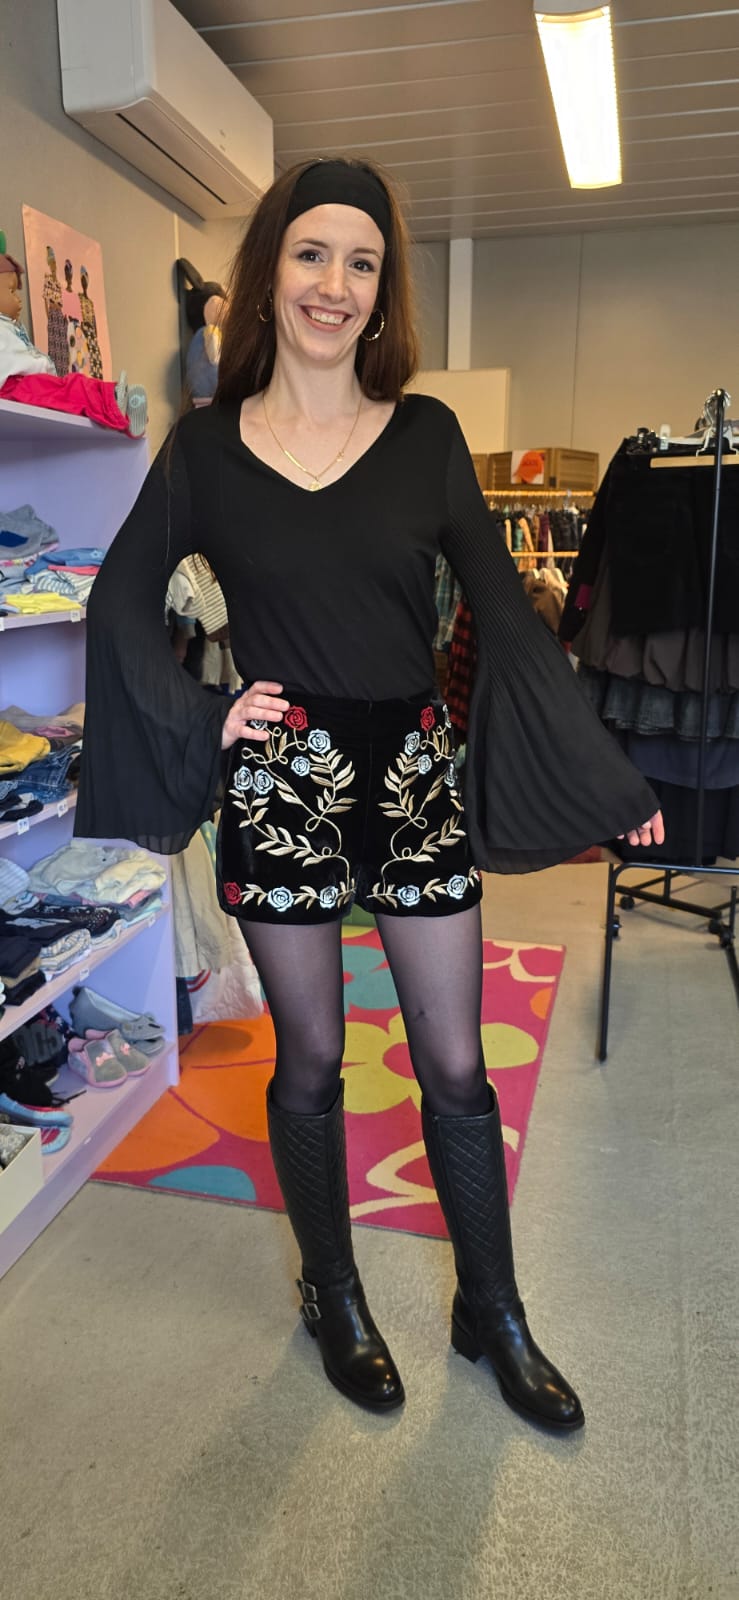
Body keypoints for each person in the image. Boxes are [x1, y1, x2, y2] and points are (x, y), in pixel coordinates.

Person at [76, 157, 664, 1431]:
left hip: (408, 774)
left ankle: (491, 1310)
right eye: (311, 254)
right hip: (283, 779)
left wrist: (601, 772)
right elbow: (117, 605)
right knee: (312, 1054)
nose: (334, 285)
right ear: (268, 273)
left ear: (380, 289)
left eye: (361, 263)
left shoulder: (426, 437)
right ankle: (332, 1294)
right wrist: (205, 717)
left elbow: (506, 617)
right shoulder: (204, 450)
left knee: (453, 1060)